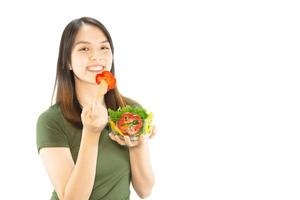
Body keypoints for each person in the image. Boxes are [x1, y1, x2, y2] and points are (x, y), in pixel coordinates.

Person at [36, 17, 156, 200]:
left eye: (104, 48)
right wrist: (91, 133)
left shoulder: (129, 111)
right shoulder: (51, 121)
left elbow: (145, 190)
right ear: (67, 61)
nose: (96, 56)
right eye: (84, 49)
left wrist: (138, 146)